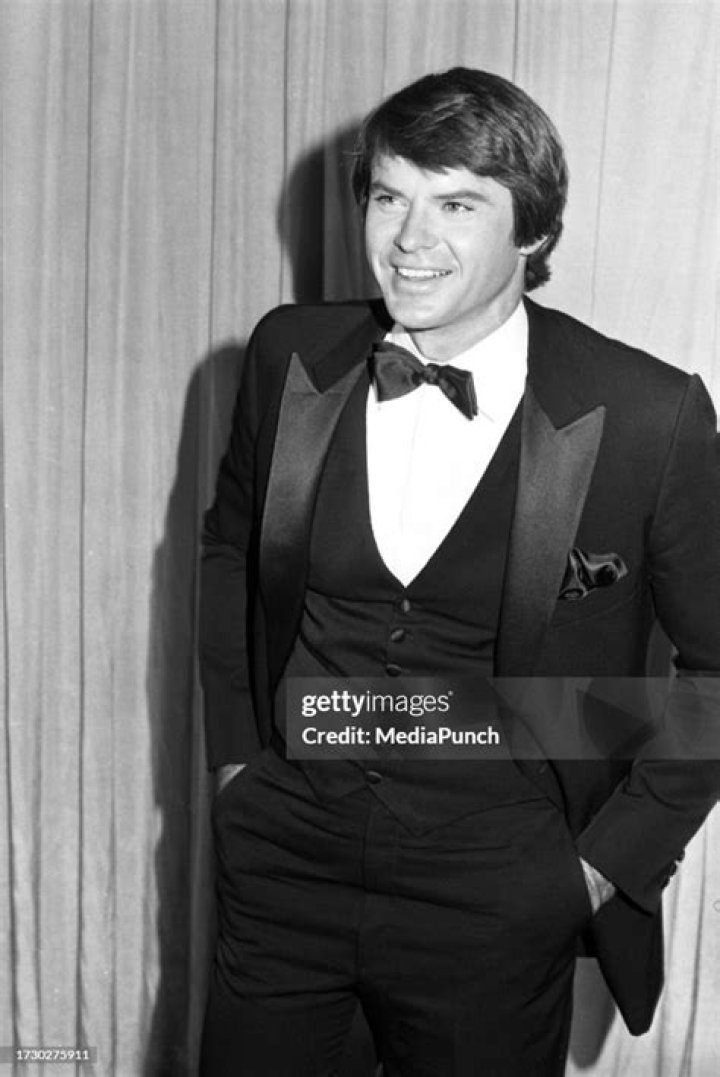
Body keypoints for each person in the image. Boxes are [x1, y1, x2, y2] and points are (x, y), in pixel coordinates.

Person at [198, 68, 720, 1076]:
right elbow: (228, 550)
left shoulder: (647, 414)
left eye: (457, 205)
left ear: (535, 233)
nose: (409, 238)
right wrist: (234, 768)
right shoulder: (288, 354)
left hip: (501, 886)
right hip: (283, 863)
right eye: (389, 196)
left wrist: (600, 866)